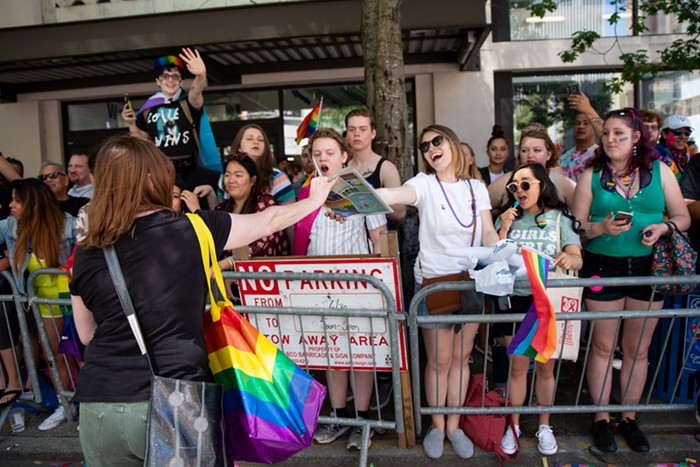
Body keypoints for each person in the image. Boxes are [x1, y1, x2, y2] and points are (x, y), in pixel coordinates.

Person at [69, 135, 334, 467]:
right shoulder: (194, 229)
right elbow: (269, 220)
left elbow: (86, 334)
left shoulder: (87, 253)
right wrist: (315, 198)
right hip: (175, 401)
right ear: (152, 178)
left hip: (99, 406)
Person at [375, 124, 499, 460]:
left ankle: (455, 426)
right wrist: (360, 195)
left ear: (453, 143)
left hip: (470, 281)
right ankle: (438, 426)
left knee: (461, 359)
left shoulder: (476, 187)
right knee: (439, 361)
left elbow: (487, 230)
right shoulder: (423, 183)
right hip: (433, 283)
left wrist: (499, 249)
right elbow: (395, 195)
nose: (430, 148)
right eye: (425, 145)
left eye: (437, 140)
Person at [571, 107, 690, 453]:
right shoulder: (591, 175)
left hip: (647, 269)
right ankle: (601, 419)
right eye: (606, 133)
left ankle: (630, 419)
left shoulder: (660, 171)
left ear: (637, 137)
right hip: (602, 268)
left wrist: (664, 227)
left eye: (619, 134)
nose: (610, 139)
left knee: (638, 351)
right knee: (603, 347)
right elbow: (575, 228)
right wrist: (600, 228)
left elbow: (682, 216)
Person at [300, 129, 387, 451]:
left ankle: (362, 420)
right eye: (318, 153)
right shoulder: (309, 193)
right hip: (318, 287)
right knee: (332, 354)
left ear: (344, 156)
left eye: (330, 152)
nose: (323, 158)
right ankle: (340, 414)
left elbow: (379, 239)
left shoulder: (364, 191)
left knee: (360, 355)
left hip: (357, 286)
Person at [494, 163, 582, 456]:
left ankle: (545, 425)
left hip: (547, 299)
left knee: (546, 367)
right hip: (514, 300)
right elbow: (491, 257)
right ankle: (514, 425)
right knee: (517, 368)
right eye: (513, 186)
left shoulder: (560, 219)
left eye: (525, 184)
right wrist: (504, 228)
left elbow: (577, 257)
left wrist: (570, 260)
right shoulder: (507, 219)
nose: (519, 191)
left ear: (542, 184)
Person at [0, 179, 78, 429]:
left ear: (32, 203)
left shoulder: (67, 223)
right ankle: (64, 406)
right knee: (55, 356)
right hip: (43, 304)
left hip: (73, 299)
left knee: (81, 357)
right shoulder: (12, 226)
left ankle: (90, 406)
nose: (10, 205)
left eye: (17, 200)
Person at [121, 49, 212, 180]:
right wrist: (131, 123)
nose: (171, 80)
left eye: (175, 76)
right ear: (158, 81)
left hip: (189, 170)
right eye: (165, 76)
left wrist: (201, 75)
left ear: (181, 81)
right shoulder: (148, 108)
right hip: (160, 171)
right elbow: (141, 140)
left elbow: (196, 92)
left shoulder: (188, 101)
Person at [183, 152, 289, 261]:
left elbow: (264, 246)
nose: (231, 180)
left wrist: (226, 263)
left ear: (252, 180)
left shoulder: (266, 203)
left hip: (258, 276)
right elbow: (210, 242)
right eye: (227, 175)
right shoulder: (222, 209)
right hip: (224, 277)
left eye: (238, 175)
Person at [488, 126, 576, 210]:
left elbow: (581, 217)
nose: (530, 155)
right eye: (524, 150)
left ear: (549, 154)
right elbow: (478, 207)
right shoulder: (507, 181)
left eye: (537, 150)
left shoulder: (562, 183)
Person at [345, 108, 405, 221]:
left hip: (378, 235)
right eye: (351, 129)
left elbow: (400, 212)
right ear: (347, 134)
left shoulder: (386, 168)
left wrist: (370, 200)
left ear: (373, 133)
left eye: (363, 129)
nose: (357, 134)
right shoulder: (343, 167)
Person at [230, 124, 295, 205]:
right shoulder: (226, 177)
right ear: (239, 146)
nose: (256, 142)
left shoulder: (277, 177)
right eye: (249, 139)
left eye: (260, 140)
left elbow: (290, 212)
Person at [560, 113, 598, 182]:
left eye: (586, 123)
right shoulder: (564, 155)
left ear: (595, 128)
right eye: (577, 123)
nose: (581, 126)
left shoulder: (599, 154)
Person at [658, 114, 694, 180]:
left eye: (687, 133)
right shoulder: (657, 157)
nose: (683, 137)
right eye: (677, 132)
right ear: (664, 134)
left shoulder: (692, 156)